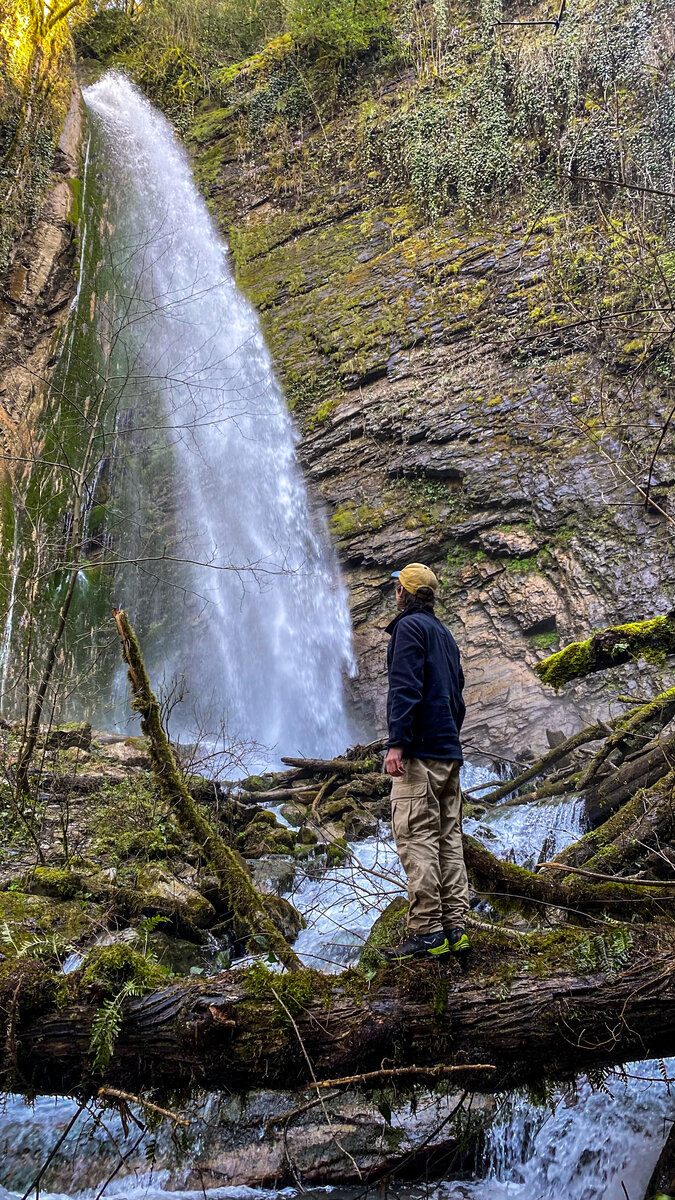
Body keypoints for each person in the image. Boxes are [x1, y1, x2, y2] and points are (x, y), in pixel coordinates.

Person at [382, 562, 471, 961]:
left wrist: (398, 743)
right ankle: (456, 927)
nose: (395, 593)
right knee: (448, 841)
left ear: (404, 593)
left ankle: (427, 932)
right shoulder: (445, 635)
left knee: (417, 837)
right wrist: (449, 739)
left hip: (419, 752)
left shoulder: (408, 628)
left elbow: (405, 688)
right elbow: (458, 695)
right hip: (448, 751)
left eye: (397, 588)